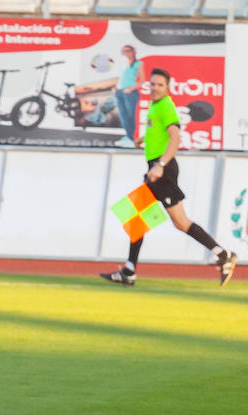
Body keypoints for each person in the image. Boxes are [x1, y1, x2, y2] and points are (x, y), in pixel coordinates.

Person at [100, 68, 236, 288]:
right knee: (145, 219)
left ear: (168, 88)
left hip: (163, 170)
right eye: (152, 84)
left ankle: (223, 254)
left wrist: (160, 166)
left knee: (165, 221)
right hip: (157, 168)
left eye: (160, 85)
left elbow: (175, 138)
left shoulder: (165, 106)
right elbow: (160, 133)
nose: (155, 87)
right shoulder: (155, 106)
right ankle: (130, 270)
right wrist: (143, 140)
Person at [113, 45, 142, 149]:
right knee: (123, 116)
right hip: (120, 92)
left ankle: (131, 138)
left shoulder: (138, 64)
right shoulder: (122, 65)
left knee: (131, 116)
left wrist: (131, 89)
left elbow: (142, 81)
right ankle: (128, 137)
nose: (125, 53)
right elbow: (120, 78)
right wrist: (116, 87)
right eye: (123, 51)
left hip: (130, 92)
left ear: (133, 52)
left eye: (128, 51)